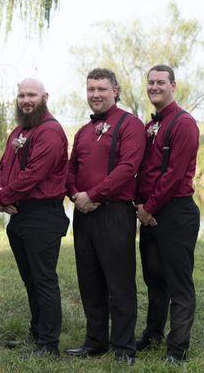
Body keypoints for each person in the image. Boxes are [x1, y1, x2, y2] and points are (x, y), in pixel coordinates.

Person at [64, 68, 145, 365]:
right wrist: (75, 195)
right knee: (89, 279)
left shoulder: (130, 124)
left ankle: (124, 347)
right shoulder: (83, 132)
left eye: (101, 89)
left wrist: (93, 195)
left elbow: (128, 168)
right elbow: (70, 169)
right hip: (83, 214)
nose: (95, 94)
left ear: (115, 90)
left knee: (119, 282)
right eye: (90, 89)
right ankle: (95, 341)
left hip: (114, 213)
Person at [0, 78, 70, 357]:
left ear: (45, 97)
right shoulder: (18, 131)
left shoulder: (50, 131)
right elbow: (3, 166)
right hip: (20, 215)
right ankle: (37, 333)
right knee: (30, 280)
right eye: (22, 95)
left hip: (42, 215)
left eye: (32, 95)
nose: (26, 100)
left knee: (43, 279)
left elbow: (35, 174)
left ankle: (49, 345)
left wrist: (4, 197)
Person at [136, 65, 200, 364]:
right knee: (154, 278)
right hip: (150, 211)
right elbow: (145, 171)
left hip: (175, 211)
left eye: (160, 82)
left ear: (173, 85)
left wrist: (148, 208)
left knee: (178, 283)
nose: (154, 87)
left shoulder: (184, 123)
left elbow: (173, 175)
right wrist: (138, 204)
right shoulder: (151, 125)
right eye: (150, 82)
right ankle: (152, 336)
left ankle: (178, 350)